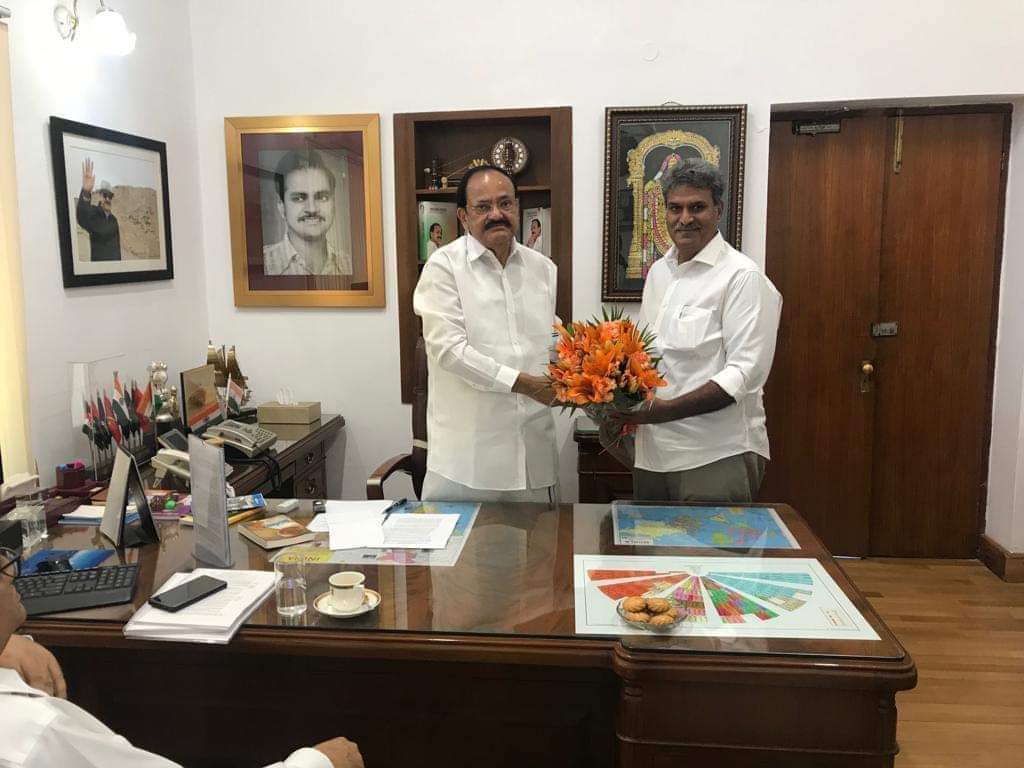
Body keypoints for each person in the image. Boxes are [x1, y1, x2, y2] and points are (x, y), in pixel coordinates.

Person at [0, 546, 363, 768]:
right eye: (1, 566)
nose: (13, 571)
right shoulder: (34, 734)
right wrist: (317, 762)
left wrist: (10, 641)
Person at [609, 159, 782, 503]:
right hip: (653, 454)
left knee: (712, 542)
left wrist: (661, 412)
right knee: (649, 541)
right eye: (675, 208)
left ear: (718, 210)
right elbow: (647, 359)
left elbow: (744, 375)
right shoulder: (659, 273)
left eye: (697, 207)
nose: (685, 218)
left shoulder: (741, 277)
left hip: (714, 455)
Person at [413, 165, 558, 503]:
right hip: (470, 463)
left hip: (533, 456)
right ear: (463, 216)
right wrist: (523, 383)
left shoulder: (543, 269)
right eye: (483, 206)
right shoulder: (443, 267)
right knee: (465, 541)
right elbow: (449, 350)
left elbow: (547, 337)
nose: (496, 214)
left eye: (505, 203)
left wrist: (590, 369)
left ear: (517, 207)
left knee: (541, 539)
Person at [263, 150, 351, 279]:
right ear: (281, 207)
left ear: (333, 203)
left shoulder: (349, 265)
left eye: (322, 197)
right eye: (299, 198)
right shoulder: (264, 264)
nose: (312, 209)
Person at [76, 158, 122, 261]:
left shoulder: (114, 220)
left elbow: (117, 249)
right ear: (100, 196)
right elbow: (82, 217)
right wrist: (86, 192)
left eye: (110, 196)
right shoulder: (93, 213)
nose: (107, 199)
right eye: (105, 195)